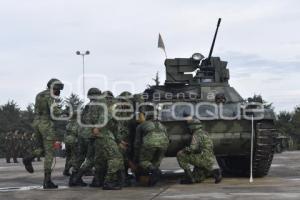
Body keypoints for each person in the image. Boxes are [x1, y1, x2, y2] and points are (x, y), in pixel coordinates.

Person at [22, 78, 64, 189]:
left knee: (41, 148)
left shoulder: (39, 95)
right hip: (46, 125)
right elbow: (54, 112)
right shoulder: (50, 96)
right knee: (49, 153)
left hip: (36, 123)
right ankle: (47, 181)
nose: (58, 91)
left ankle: (29, 158)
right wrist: (64, 111)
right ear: (53, 87)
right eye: (58, 89)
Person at [69, 88, 102, 187]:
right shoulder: (99, 106)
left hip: (82, 134)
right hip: (91, 135)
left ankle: (73, 178)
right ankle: (95, 180)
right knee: (94, 157)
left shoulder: (87, 106)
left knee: (80, 157)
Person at [176, 115, 222, 184]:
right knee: (197, 178)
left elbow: (193, 148)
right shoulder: (205, 133)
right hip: (209, 159)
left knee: (180, 155)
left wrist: (185, 150)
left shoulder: (196, 134)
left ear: (193, 126)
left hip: (203, 159)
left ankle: (190, 178)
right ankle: (213, 172)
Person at [134, 107, 169, 186]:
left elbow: (137, 142)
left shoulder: (141, 125)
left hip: (150, 143)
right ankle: (152, 181)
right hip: (164, 144)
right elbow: (167, 137)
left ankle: (155, 171)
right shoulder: (161, 125)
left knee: (143, 162)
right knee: (155, 163)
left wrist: (136, 157)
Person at [63, 111, 79, 176]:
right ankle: (74, 171)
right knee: (74, 156)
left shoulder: (68, 123)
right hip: (74, 141)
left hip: (67, 141)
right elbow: (77, 132)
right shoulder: (77, 123)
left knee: (68, 157)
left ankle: (66, 170)